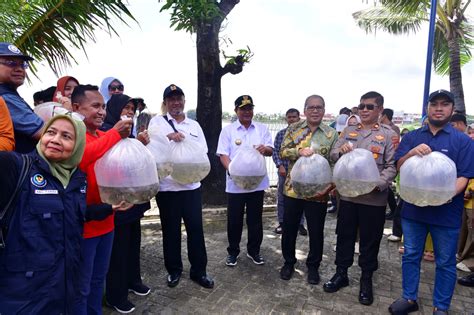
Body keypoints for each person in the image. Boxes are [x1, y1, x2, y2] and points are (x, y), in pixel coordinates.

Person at [388, 89, 474, 315]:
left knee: (445, 262)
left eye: (444, 104)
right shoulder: (413, 137)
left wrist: (441, 197)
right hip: (413, 212)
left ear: (452, 109)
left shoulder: (462, 141)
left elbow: (464, 177)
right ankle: (409, 298)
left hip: (446, 214)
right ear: (427, 108)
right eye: (434, 104)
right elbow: (398, 167)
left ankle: (441, 307)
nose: (438, 108)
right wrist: (411, 154)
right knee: (411, 255)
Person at [0, 113, 87, 313]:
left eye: (66, 136)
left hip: (63, 295)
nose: (55, 140)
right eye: (51, 132)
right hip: (21, 300)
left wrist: (108, 209)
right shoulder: (16, 167)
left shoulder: (78, 180)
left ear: (78, 145)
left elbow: (70, 218)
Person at [324, 91, 397, 306]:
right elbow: (333, 153)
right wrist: (341, 151)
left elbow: (393, 166)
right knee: (344, 236)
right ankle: (341, 274)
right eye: (362, 106)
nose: (364, 110)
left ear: (380, 110)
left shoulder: (389, 134)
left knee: (370, 240)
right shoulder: (348, 131)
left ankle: (366, 279)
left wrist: (379, 183)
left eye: (370, 106)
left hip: (373, 199)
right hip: (348, 197)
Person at [71, 85, 134, 314]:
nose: (102, 112)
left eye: (104, 107)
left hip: (107, 221)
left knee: (98, 281)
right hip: (85, 226)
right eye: (95, 106)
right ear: (76, 108)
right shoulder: (74, 134)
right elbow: (83, 157)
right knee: (81, 287)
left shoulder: (101, 135)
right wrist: (115, 133)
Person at [148, 84, 214, 289]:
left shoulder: (194, 125)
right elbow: (151, 149)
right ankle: (174, 270)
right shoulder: (157, 123)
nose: (175, 103)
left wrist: (186, 145)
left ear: (184, 101)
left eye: (179, 99)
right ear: (165, 103)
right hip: (167, 189)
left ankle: (199, 272)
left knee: (196, 230)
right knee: (171, 231)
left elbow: (202, 150)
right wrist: (169, 138)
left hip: (191, 188)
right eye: (171, 99)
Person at [279, 95, 338, 284]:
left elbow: (333, 161)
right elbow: (282, 151)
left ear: (323, 110)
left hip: (318, 192)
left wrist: (332, 185)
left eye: (319, 107)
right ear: (304, 110)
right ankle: (288, 262)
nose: (315, 110)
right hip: (293, 189)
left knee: (316, 230)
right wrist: (298, 151)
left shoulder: (331, 134)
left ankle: (313, 266)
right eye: (311, 107)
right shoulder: (294, 129)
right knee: (289, 228)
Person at [101, 94, 151, 313]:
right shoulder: (106, 131)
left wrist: (140, 146)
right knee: (118, 251)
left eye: (132, 108)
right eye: (126, 107)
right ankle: (115, 295)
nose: (130, 111)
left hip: (133, 202)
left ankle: (133, 280)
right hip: (117, 203)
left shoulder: (130, 133)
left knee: (132, 246)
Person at [217, 95, 273, 267]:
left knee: (255, 220)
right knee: (234, 220)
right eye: (243, 109)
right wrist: (232, 171)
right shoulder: (228, 130)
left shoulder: (262, 129)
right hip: (235, 184)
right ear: (236, 111)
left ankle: (254, 251)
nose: (247, 112)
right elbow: (223, 154)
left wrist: (266, 149)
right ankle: (233, 252)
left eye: (249, 108)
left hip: (257, 184)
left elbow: (271, 150)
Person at [0, 42, 44, 153]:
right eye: (11, 63)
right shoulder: (5, 96)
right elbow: (43, 133)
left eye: (22, 64)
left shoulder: (9, 93)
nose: (19, 69)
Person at [272, 108, 306, 235]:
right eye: (289, 117)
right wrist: (279, 165)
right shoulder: (281, 134)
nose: (291, 119)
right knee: (282, 198)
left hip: (301, 172)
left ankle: (300, 224)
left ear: (299, 118)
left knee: (301, 197)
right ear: (286, 119)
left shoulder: (304, 134)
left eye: (294, 117)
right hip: (284, 171)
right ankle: (282, 223)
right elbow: (275, 151)